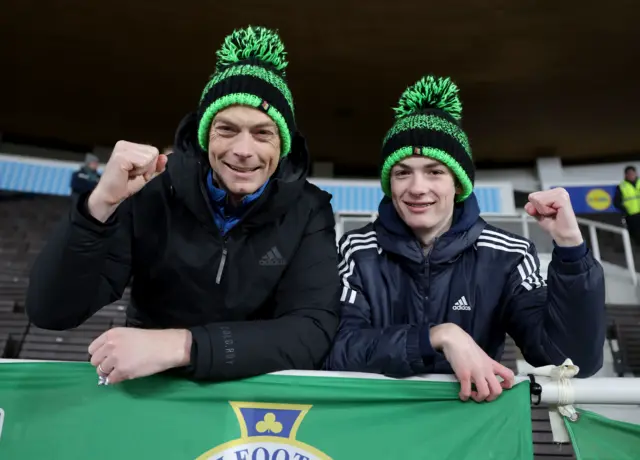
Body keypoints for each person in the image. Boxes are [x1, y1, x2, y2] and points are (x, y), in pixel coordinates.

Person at [26, 26, 340, 384]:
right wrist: (98, 206)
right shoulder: (152, 189)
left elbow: (311, 331)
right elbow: (51, 312)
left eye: (262, 133)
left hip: (252, 396)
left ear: (282, 146)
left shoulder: (309, 209)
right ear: (205, 137)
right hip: (152, 391)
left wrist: (183, 345)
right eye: (226, 129)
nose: (243, 149)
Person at [325, 75, 606, 402]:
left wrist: (572, 251)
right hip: (376, 429)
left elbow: (570, 362)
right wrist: (437, 337)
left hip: (469, 435)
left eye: (434, 171)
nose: (417, 187)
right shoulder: (355, 250)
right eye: (402, 172)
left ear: (458, 183)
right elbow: (335, 350)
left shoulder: (509, 254)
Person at [613, 165, 640, 244]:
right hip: (632, 216)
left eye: (633, 173)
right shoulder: (622, 187)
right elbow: (617, 202)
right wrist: (625, 211)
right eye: (629, 174)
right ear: (626, 175)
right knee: (636, 235)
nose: (631, 175)